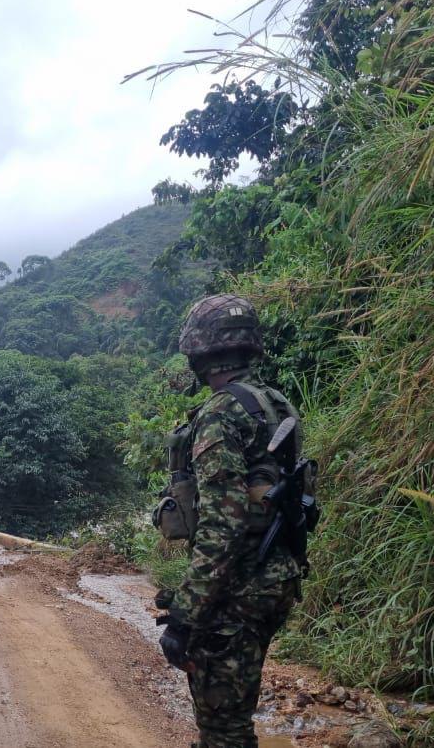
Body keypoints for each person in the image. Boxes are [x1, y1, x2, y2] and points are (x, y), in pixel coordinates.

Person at [157, 294, 305, 748]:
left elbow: (224, 526)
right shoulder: (275, 404)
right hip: (275, 578)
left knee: (224, 729)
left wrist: (186, 617)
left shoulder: (222, 413)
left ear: (202, 350)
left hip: (236, 588)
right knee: (232, 711)